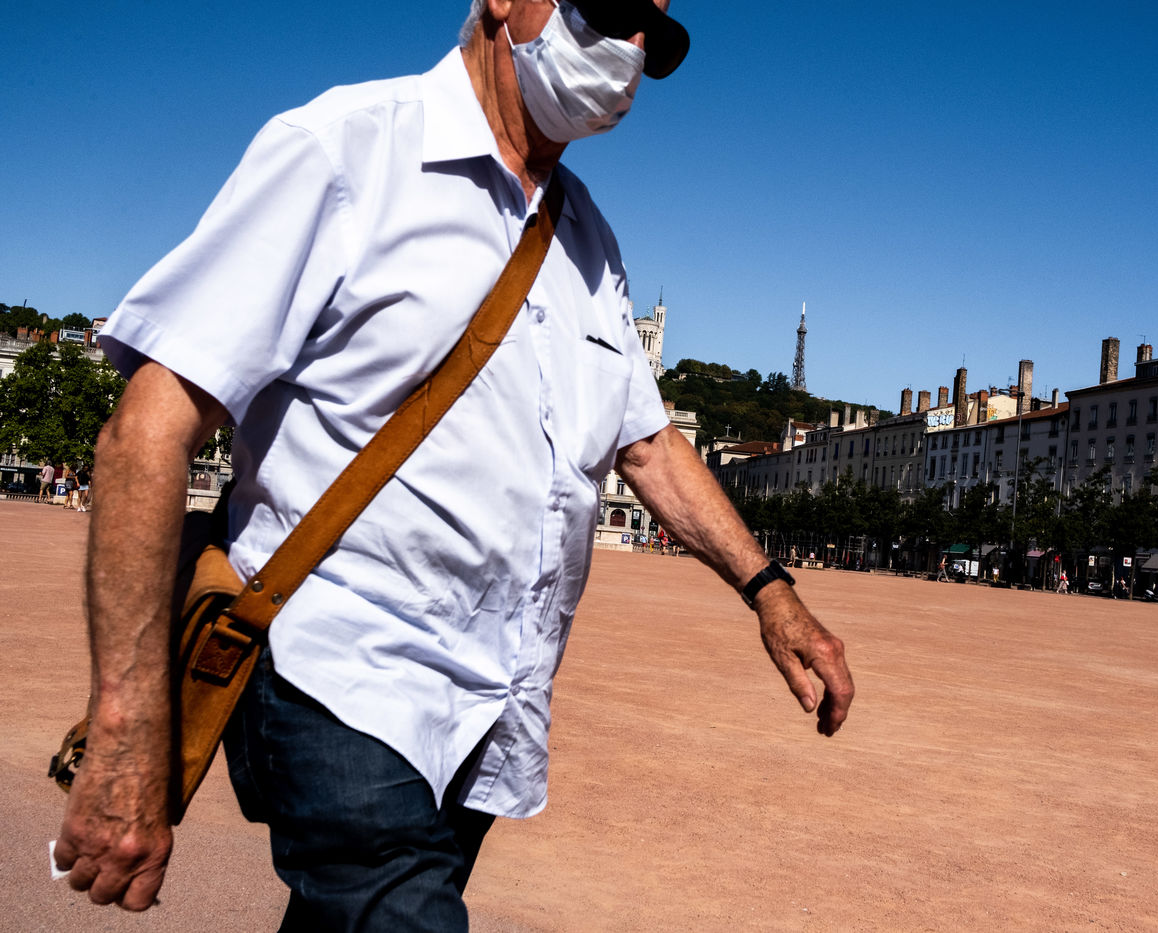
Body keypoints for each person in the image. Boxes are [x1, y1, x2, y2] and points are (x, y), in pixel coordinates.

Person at [54, 1, 854, 928]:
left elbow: (648, 442)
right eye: (612, 6)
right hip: (340, 677)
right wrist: (125, 729)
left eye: (659, 39)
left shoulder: (587, 241)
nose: (635, 46)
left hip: (489, 706)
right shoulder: (345, 153)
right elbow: (145, 433)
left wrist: (771, 591)